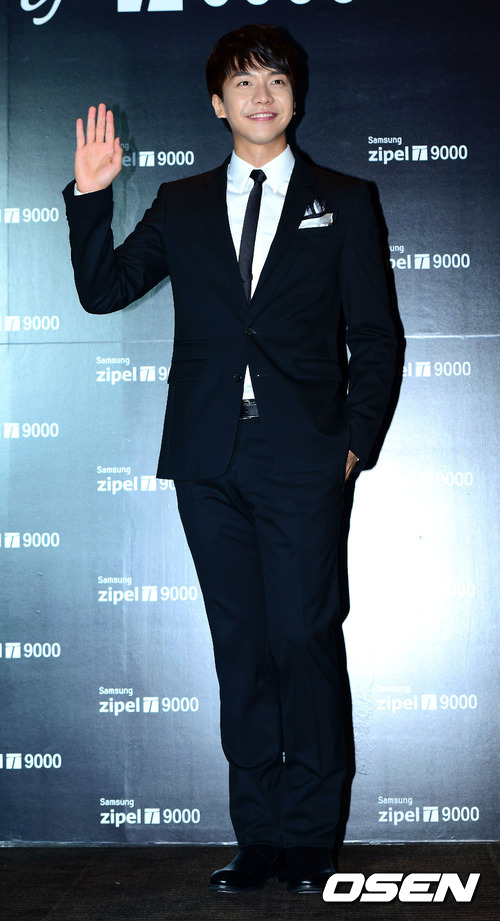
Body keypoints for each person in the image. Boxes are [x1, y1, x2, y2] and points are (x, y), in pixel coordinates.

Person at [63, 23, 396, 894]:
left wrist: (353, 444)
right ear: (218, 104)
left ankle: (312, 838)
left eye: (275, 79)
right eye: (243, 82)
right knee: (240, 645)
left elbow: (377, 337)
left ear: (296, 95)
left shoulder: (345, 199)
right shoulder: (179, 204)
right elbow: (104, 290)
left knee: (303, 638)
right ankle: (260, 837)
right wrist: (91, 196)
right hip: (208, 458)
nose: (261, 94)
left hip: (305, 458)